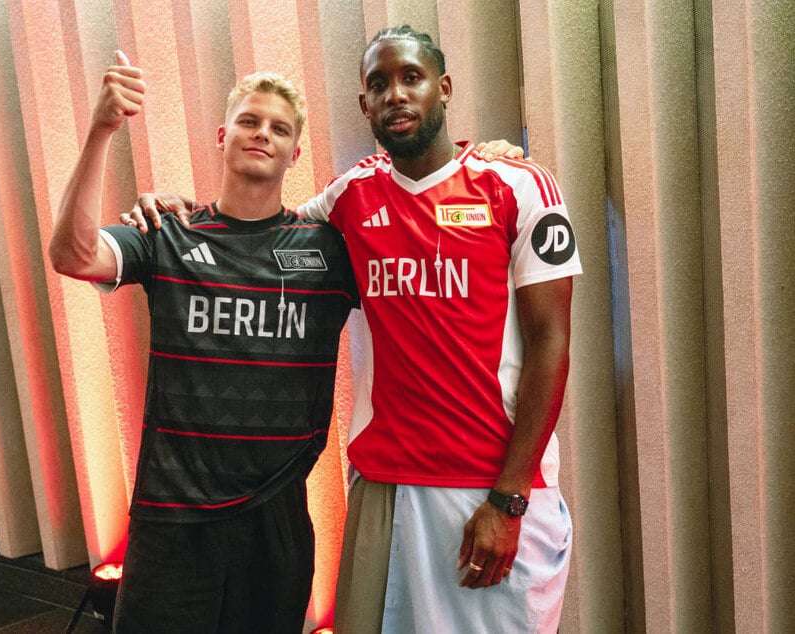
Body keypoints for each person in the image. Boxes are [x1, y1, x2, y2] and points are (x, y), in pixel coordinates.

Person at [127, 25, 579, 633]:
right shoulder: (352, 195)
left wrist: (509, 497)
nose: (396, 94)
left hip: (485, 485)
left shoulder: (519, 187)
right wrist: (176, 211)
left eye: (411, 78)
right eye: (378, 83)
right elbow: (263, 229)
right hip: (386, 481)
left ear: (443, 88)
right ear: (364, 105)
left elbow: (552, 342)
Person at [49, 51, 359, 633]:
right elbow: (71, 254)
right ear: (223, 135)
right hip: (172, 519)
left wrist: (484, 164)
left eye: (279, 128)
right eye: (249, 121)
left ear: (296, 153)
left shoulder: (326, 252)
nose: (262, 133)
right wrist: (100, 131)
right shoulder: (167, 231)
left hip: (276, 519)